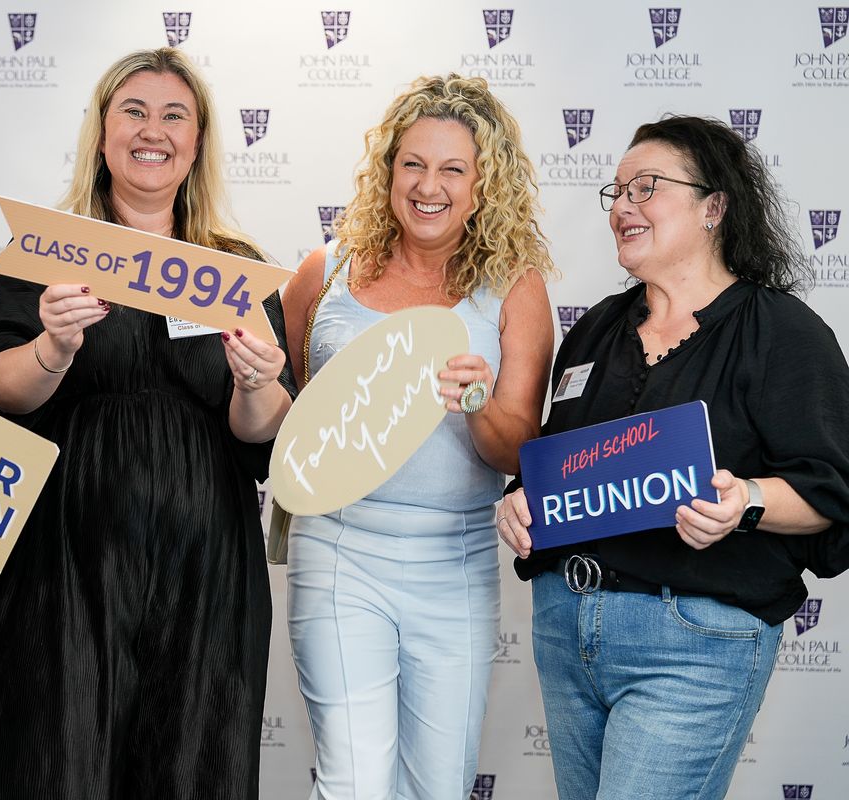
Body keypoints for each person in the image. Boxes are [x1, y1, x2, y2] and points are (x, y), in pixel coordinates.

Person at [0, 48, 293, 799]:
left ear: (198, 142)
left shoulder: (235, 268)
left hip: (206, 562)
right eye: (134, 112)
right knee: (60, 754)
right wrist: (52, 347)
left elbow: (263, 433)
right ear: (103, 133)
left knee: (196, 761)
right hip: (64, 555)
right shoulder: (47, 250)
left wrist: (258, 383)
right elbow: (1, 393)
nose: (154, 131)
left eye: (175, 116)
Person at [497, 115, 849, 800]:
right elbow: (559, 462)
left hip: (694, 642)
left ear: (713, 207)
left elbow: (832, 492)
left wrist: (744, 503)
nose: (623, 206)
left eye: (647, 187)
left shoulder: (780, 332)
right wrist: (521, 497)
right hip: (567, 630)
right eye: (617, 191)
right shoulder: (597, 327)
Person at [282, 74, 555, 799]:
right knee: (353, 781)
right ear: (388, 170)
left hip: (454, 559)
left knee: (439, 786)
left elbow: (517, 449)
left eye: (453, 169)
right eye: (413, 164)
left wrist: (478, 403)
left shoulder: (515, 288)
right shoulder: (325, 273)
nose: (429, 186)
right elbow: (290, 412)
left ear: (483, 185)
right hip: (337, 548)